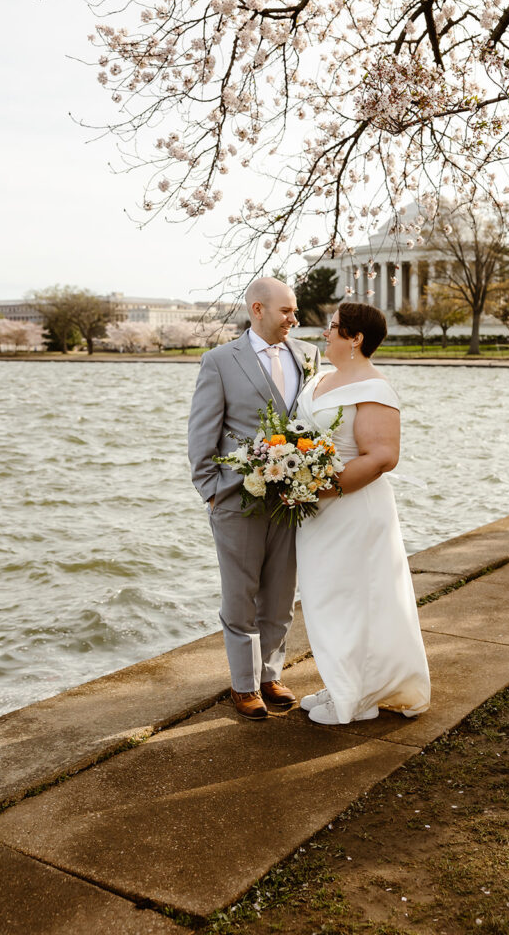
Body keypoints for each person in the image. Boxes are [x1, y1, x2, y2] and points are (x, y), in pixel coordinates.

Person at [187, 277, 320, 720]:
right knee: (240, 597)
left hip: (291, 499)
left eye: (295, 311)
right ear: (257, 309)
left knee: (281, 594)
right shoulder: (220, 361)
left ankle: (270, 675)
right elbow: (202, 433)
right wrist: (212, 491)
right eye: (286, 312)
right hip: (236, 499)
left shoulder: (307, 356)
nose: (294, 319)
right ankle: (243, 685)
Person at [295, 302, 430, 725]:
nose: (325, 333)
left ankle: (357, 695)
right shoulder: (320, 377)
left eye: (333, 328)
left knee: (355, 600)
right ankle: (345, 683)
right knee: (325, 598)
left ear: (356, 338)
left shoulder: (374, 389)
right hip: (316, 512)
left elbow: (383, 457)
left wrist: (319, 488)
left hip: (353, 508)